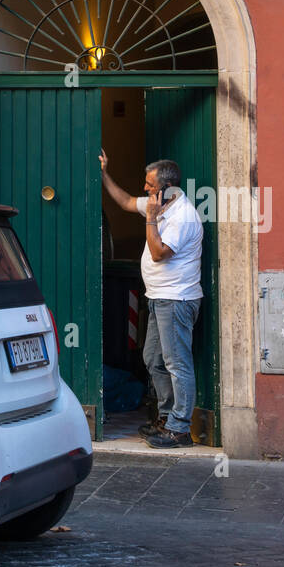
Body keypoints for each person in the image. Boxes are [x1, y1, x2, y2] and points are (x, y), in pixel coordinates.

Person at [99, 150, 202, 448]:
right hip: (158, 298)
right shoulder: (160, 206)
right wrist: (105, 172)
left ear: (167, 188)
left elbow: (158, 254)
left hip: (177, 300)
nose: (145, 189)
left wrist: (151, 219)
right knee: (153, 360)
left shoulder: (182, 216)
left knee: (176, 363)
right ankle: (167, 417)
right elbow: (126, 202)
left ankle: (180, 429)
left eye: (150, 185)